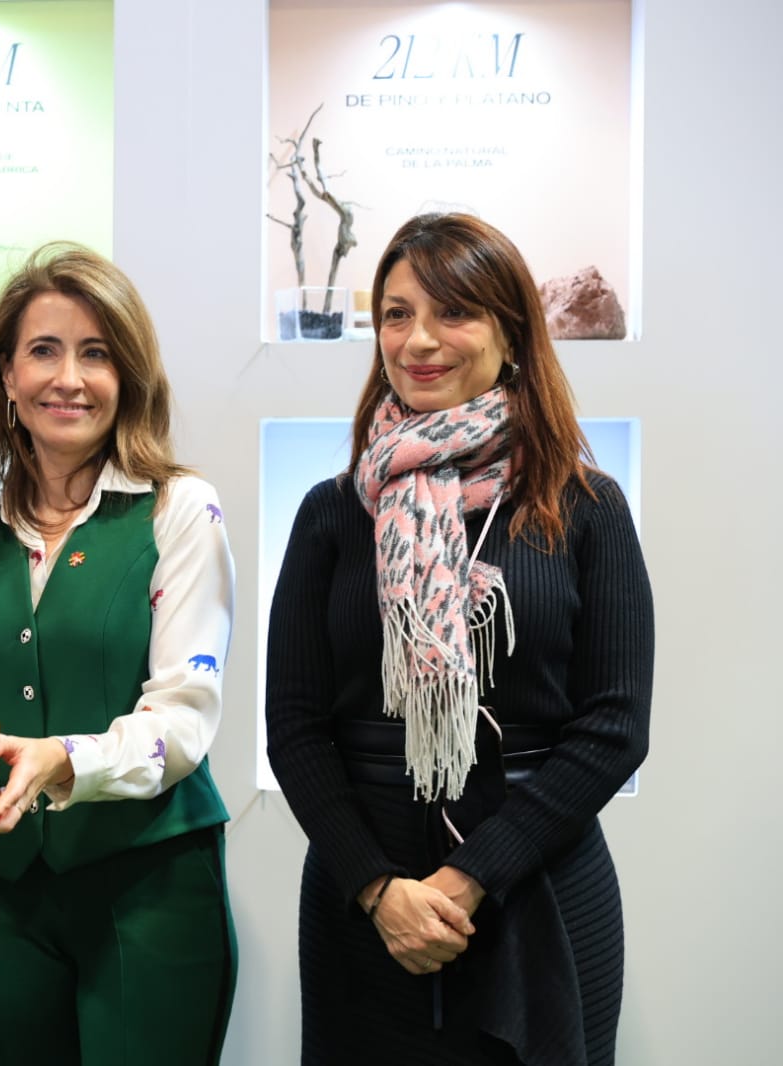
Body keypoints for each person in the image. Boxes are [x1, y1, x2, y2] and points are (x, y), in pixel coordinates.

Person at [265, 213, 653, 1065]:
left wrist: (469, 876)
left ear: (510, 332)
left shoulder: (585, 508)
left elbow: (614, 726)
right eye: (396, 314)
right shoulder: (332, 513)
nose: (418, 340)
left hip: (541, 890)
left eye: (453, 312)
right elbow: (293, 727)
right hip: (363, 907)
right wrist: (378, 890)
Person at [0, 243, 237, 1065]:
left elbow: (182, 718)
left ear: (128, 375)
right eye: (43, 351)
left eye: (95, 353)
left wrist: (63, 759)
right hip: (2, 897)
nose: (69, 378)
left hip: (150, 890)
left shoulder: (179, 511)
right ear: (6, 376)